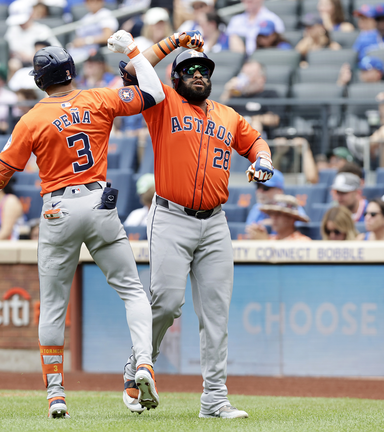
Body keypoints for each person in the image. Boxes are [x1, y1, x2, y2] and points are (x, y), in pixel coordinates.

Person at [0, 32, 169, 417]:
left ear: (40, 80)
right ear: (71, 71)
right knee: (133, 292)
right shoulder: (99, 98)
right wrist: (133, 49)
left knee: (52, 306)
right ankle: (145, 363)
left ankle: (55, 393)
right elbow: (155, 92)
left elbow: (0, 175)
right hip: (99, 202)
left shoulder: (31, 118)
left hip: (58, 210)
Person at [119, 34, 275, 418]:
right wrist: (171, 42)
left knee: (216, 315)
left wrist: (263, 161)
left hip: (215, 223)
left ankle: (214, 399)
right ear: (175, 77)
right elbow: (129, 72)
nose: (198, 74)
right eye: (188, 69)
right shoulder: (162, 103)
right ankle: (139, 365)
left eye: (203, 69)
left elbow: (256, 142)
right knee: (168, 304)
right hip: (171, 217)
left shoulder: (227, 115)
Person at [5, 3, 62, 75]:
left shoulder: (42, 29)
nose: (20, 23)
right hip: (20, 65)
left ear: (30, 14)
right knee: (13, 64)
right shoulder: (12, 30)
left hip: (40, 65)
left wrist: (36, 56)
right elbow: (8, 49)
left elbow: (57, 49)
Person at [246, 194, 312, 240]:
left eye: (279, 214)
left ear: (292, 219)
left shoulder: (303, 242)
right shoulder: (271, 239)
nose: (274, 217)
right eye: (272, 213)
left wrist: (265, 243)